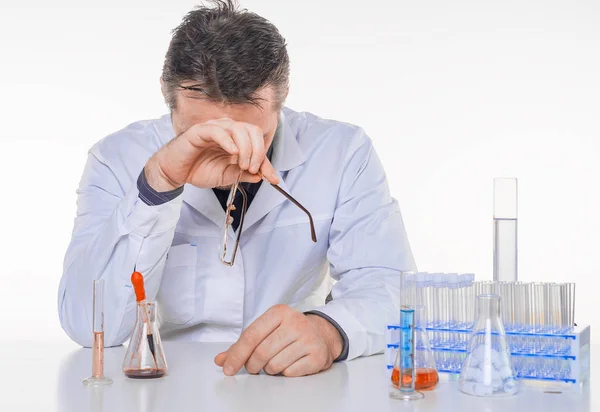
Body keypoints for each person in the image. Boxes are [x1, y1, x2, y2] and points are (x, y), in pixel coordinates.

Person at [57, 0, 415, 377]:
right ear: (166, 91)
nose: (230, 154)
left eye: (253, 135)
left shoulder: (342, 152)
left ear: (284, 93)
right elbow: (88, 324)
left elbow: (392, 288)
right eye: (201, 135)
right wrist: (157, 186)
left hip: (294, 387)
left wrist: (328, 331)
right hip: (169, 386)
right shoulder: (116, 159)